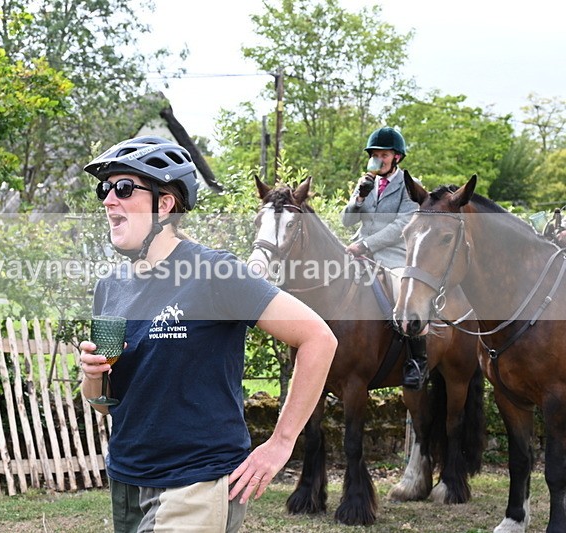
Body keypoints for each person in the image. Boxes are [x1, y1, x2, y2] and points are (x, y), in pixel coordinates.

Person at [79, 136, 337, 532]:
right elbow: (103, 404)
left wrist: (282, 441)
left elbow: (319, 337)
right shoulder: (110, 287)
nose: (109, 200)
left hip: (196, 481)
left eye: (125, 188)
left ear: (164, 204)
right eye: (105, 189)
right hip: (127, 477)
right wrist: (93, 375)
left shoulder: (215, 272)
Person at [341, 126, 429, 390]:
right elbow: (346, 221)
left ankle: (417, 361)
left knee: (405, 293)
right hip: (357, 253)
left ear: (397, 158)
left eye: (384, 154)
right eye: (375, 154)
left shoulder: (409, 187)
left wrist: (366, 245)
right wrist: (358, 197)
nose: (378, 158)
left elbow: (402, 225)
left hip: (393, 256)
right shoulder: (365, 184)